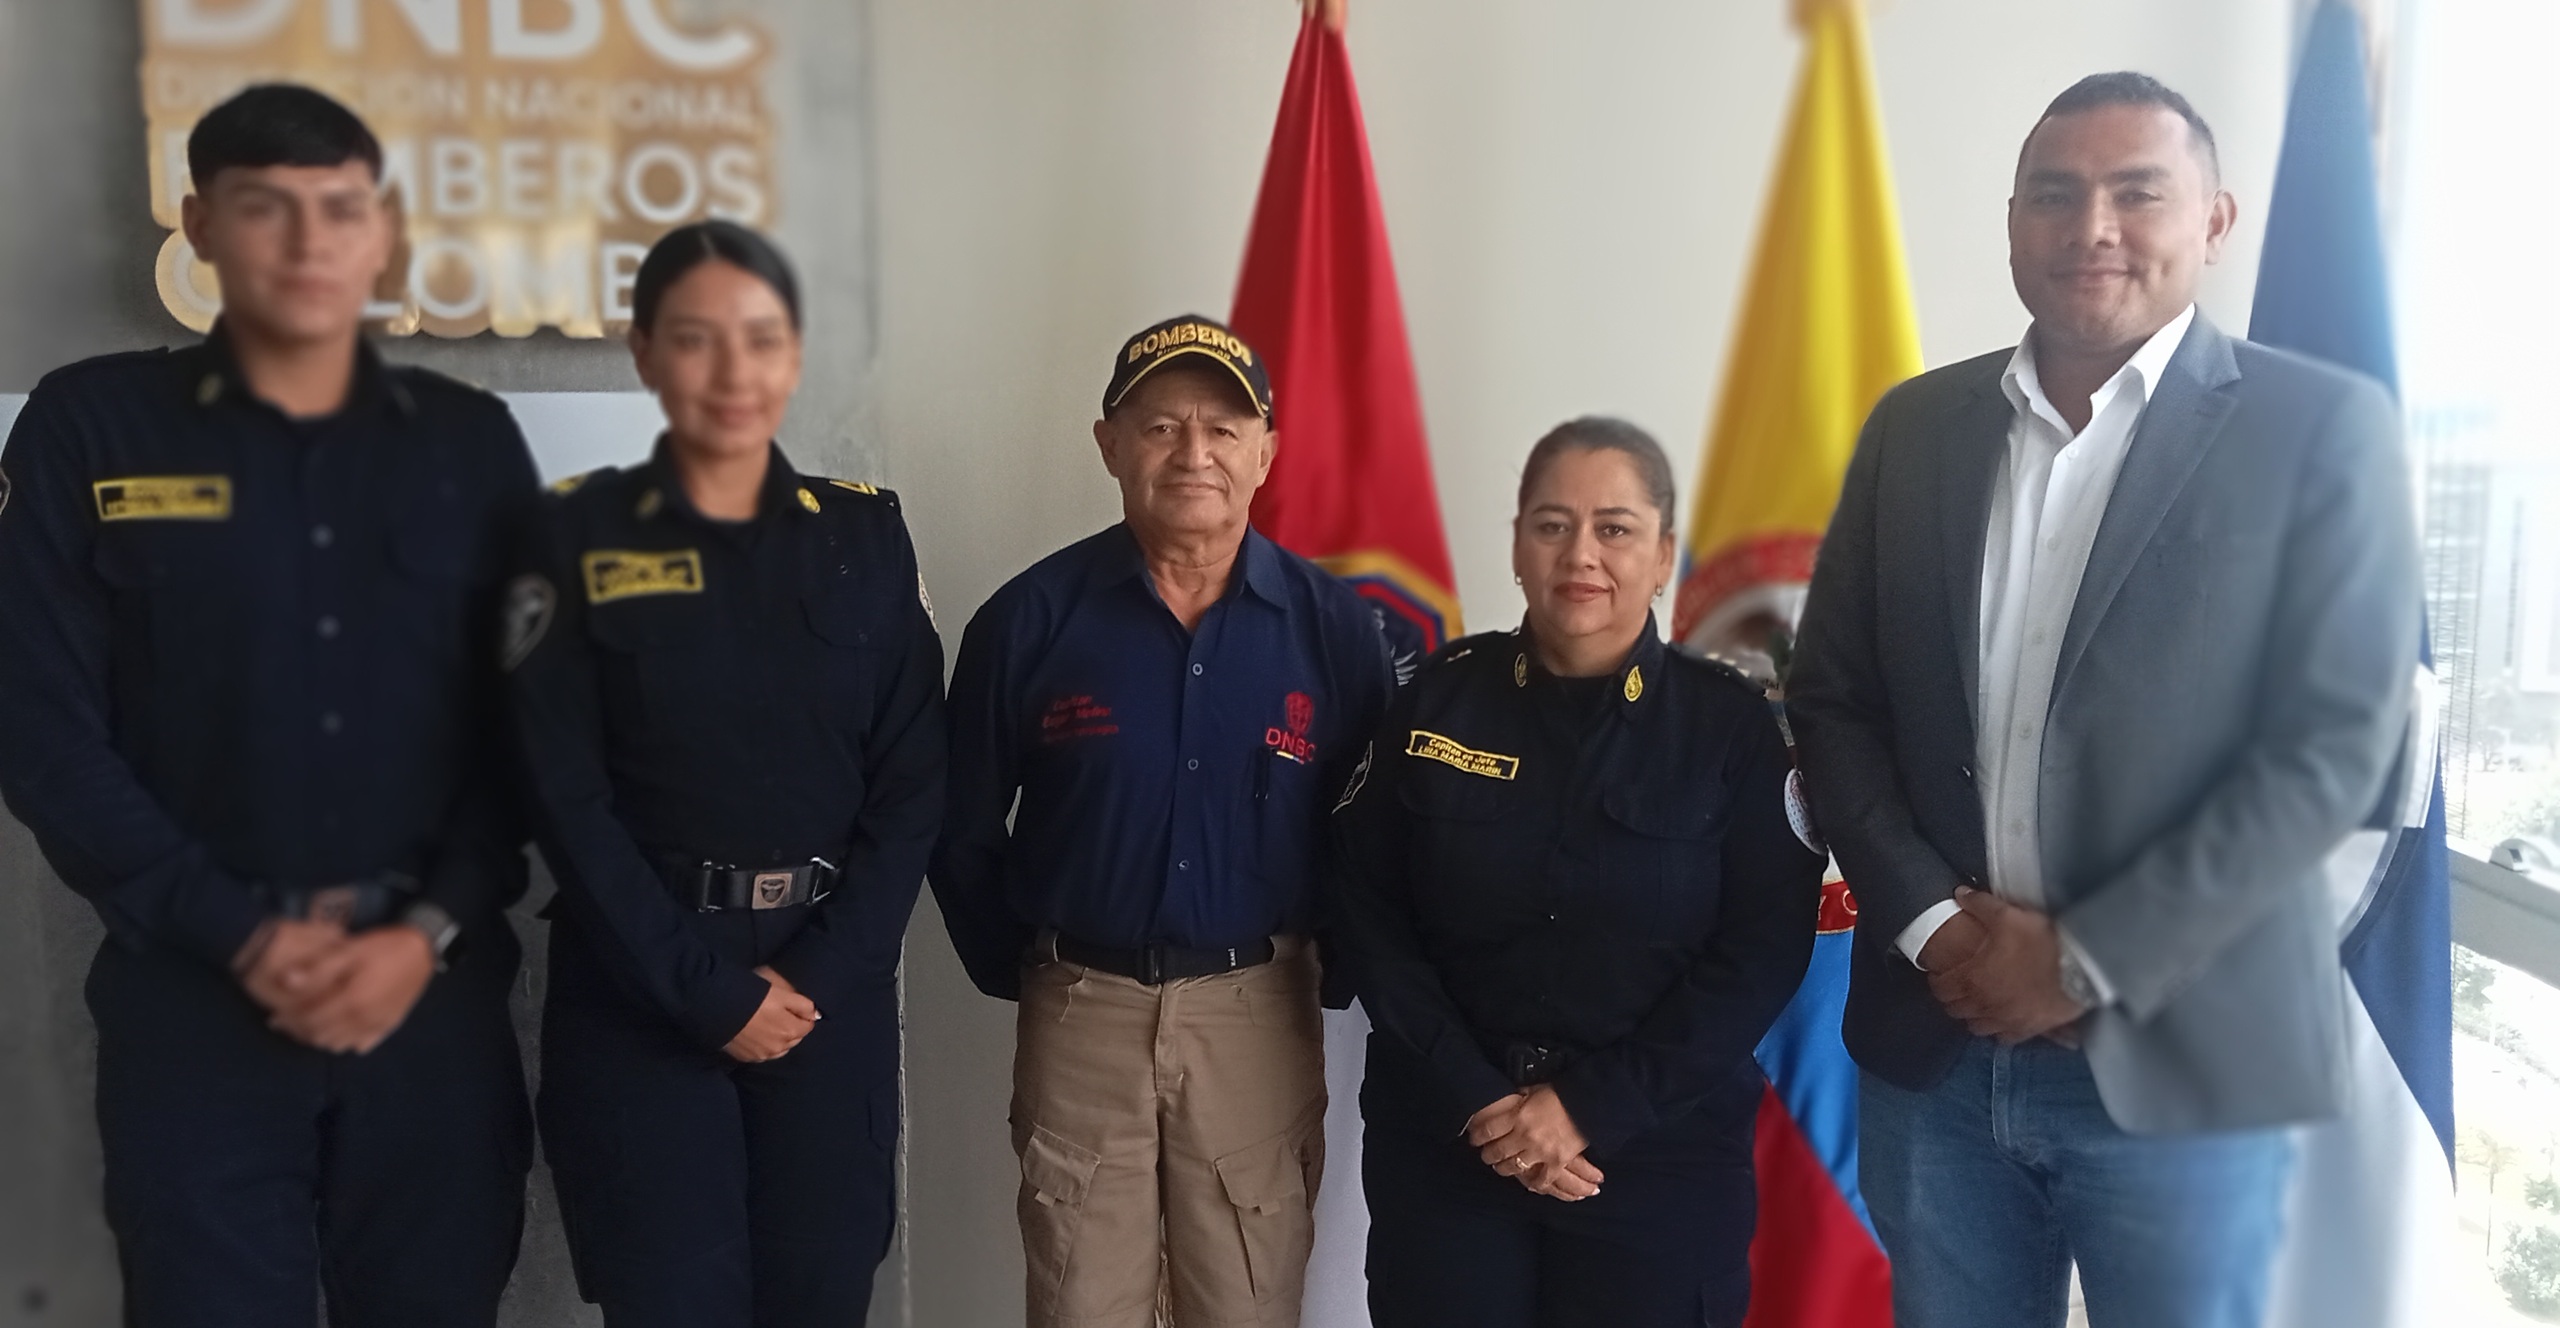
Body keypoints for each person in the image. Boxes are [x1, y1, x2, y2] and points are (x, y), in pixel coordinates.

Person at [1787, 72, 2422, 1328]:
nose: (2093, 228)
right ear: (2012, 219)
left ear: (2215, 219)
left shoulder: (2321, 430)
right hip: (1939, 1047)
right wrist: (1934, 930)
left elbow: (2332, 750)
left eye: (2138, 193)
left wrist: (2079, 962)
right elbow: (1833, 696)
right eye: (2055, 195)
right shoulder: (1914, 427)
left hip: (2186, 1062)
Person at [0, 84, 537, 1325]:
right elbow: (41, 725)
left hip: (430, 1003)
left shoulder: (470, 439)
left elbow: (526, 726)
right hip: (194, 1003)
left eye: (339, 210)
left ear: (383, 230)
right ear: (196, 224)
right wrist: (243, 933)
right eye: (264, 209)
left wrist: (423, 932)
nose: (307, 245)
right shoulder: (89, 424)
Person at [503, 220, 943, 1327]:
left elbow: (912, 780)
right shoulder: (569, 536)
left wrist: (825, 978)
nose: (733, 372)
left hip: (823, 996)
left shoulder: (864, 538)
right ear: (645, 352)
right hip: (643, 993)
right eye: (697, 340)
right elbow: (563, 794)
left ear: (792, 356)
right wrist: (704, 992)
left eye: (760, 339)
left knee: (823, 1293)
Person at [932, 314, 1393, 1328]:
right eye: (1160, 426)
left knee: (1245, 1300)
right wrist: (1034, 965)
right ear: (1109, 443)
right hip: (1080, 1006)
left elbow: (1374, 834)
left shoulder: (1334, 628)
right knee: (1079, 1304)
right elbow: (959, 824)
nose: (1194, 453)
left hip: (1257, 1010)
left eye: (1224, 428)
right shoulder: (1027, 621)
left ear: (1265, 451)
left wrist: (1332, 968)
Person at [1329, 418, 1824, 1328]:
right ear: (1517, 543)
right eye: (1552, 525)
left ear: (1665, 552)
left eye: (1616, 528)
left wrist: (1588, 1106)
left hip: (1654, 1159)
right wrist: (1480, 1101)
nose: (1581, 554)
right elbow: (1368, 915)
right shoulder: (1436, 698)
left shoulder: (1732, 731)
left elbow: (1760, 950)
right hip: (1449, 1148)